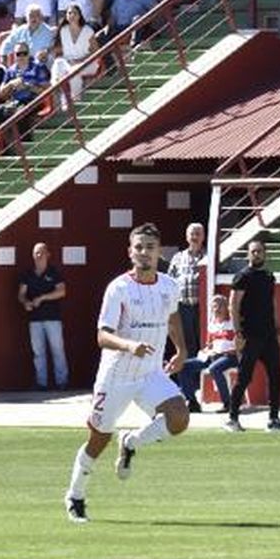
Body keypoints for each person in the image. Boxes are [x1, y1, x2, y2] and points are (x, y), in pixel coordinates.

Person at [63, 222, 190, 524]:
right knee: (99, 439)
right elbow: (102, 336)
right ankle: (75, 496)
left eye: (150, 247)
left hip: (150, 373)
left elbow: (172, 316)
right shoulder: (118, 288)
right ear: (130, 252)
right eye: (139, 247)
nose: (144, 252)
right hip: (117, 375)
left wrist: (181, 350)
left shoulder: (168, 286)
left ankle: (131, 442)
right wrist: (129, 345)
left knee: (179, 418)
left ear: (159, 253)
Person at [225, 239, 280, 432]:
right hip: (250, 335)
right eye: (253, 251)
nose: (256, 254)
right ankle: (232, 418)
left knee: (276, 376)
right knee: (244, 377)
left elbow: (272, 303)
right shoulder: (242, 277)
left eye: (259, 251)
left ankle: (274, 419)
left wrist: (277, 328)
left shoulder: (269, 277)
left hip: (268, 334)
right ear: (248, 254)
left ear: (265, 253)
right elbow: (233, 305)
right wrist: (238, 333)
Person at [165, 222, 207, 410]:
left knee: (201, 344)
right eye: (192, 234)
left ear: (203, 236)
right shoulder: (178, 257)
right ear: (187, 236)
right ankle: (186, 386)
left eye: (198, 233)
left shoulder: (208, 256)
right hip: (182, 307)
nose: (195, 237)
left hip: (201, 307)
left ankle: (199, 382)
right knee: (184, 344)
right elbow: (169, 281)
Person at [18, 242, 69, 390]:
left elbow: (62, 291)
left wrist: (42, 298)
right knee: (38, 352)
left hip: (53, 318)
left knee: (57, 350)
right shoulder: (28, 274)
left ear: (48, 254)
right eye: (36, 253)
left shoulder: (53, 272)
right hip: (34, 319)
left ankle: (62, 382)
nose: (39, 255)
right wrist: (25, 302)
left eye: (41, 252)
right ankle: (41, 383)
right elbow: (21, 294)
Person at [181, 293, 240, 411]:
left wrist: (235, 350)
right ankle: (192, 402)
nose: (217, 309)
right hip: (212, 356)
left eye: (220, 306)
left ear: (227, 307)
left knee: (214, 368)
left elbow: (242, 342)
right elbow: (209, 344)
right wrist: (206, 350)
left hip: (229, 356)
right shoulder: (212, 324)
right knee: (183, 366)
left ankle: (228, 403)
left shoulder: (233, 323)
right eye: (214, 307)